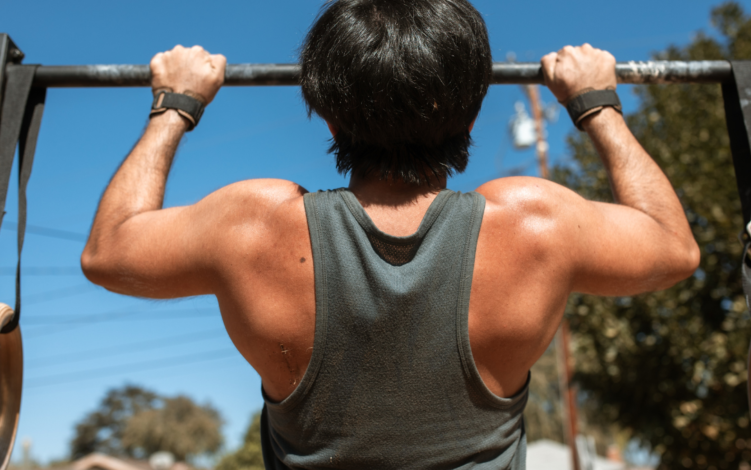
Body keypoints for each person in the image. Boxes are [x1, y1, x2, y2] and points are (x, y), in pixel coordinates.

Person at [81, 0, 700, 468]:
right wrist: (597, 102)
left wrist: (175, 104)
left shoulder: (253, 224)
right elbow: (673, 247)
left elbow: (109, 251)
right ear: (474, 107)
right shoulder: (533, 223)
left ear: (322, 106)